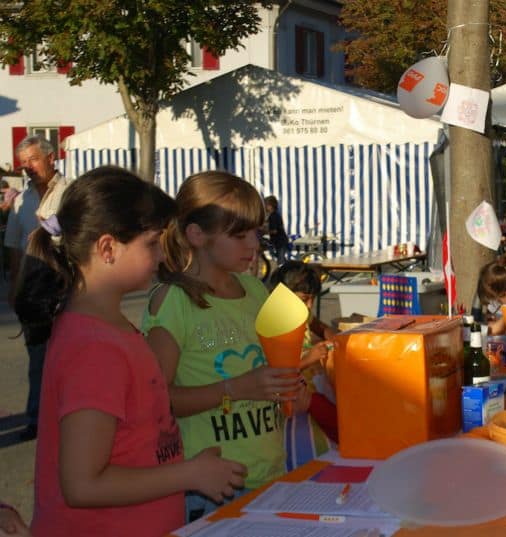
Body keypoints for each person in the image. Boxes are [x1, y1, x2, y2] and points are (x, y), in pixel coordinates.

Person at [13, 166, 245, 536]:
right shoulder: (94, 349)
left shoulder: (107, 330)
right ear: (107, 248)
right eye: (151, 243)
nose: (162, 255)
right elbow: (82, 484)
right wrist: (190, 473)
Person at [143, 171, 305, 522]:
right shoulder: (174, 301)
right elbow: (155, 401)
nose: (253, 245)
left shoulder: (257, 292)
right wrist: (236, 388)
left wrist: (292, 387)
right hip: (212, 490)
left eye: (256, 233)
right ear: (196, 234)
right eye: (239, 235)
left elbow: (273, 376)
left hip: (271, 476)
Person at [5, 135, 69, 441]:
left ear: (51, 158)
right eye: (24, 162)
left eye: (33, 159)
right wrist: (14, 286)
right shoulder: (20, 200)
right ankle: (36, 419)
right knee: (37, 358)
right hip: (32, 290)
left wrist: (48, 228)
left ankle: (68, 418)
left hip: (64, 285)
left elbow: (78, 234)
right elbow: (14, 247)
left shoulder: (71, 193)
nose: (28, 167)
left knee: (69, 355)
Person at [267, 261, 339, 469]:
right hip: (295, 400)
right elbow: (273, 373)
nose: (309, 306)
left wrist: (332, 336)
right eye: (305, 299)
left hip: (309, 393)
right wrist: (310, 358)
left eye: (312, 299)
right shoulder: (274, 323)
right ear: (282, 296)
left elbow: (316, 324)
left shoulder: (299, 313)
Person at [264, 195, 289, 265]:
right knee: (282, 259)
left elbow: (274, 231)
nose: (265, 207)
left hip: (280, 242)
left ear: (270, 206)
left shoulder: (273, 216)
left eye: (266, 205)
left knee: (281, 262)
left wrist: (264, 232)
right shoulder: (275, 215)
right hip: (279, 241)